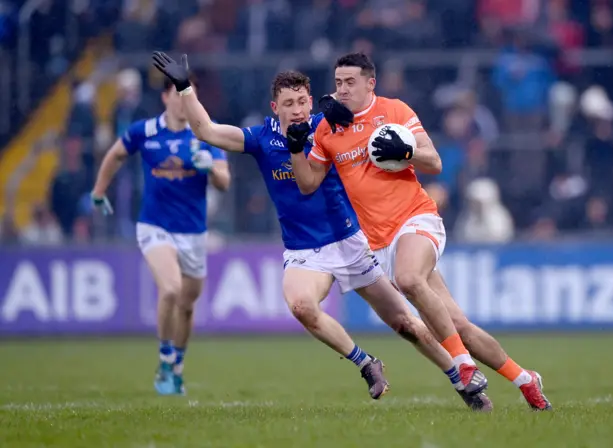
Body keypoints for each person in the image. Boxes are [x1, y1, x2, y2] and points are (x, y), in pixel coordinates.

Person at [152, 51, 490, 409]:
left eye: (302, 102)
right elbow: (205, 130)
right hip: (305, 251)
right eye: (288, 103)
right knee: (301, 306)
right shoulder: (260, 139)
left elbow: (362, 117)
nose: (297, 109)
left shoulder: (327, 125)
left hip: (353, 242)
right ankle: (366, 363)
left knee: (407, 324)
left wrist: (343, 109)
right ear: (274, 107)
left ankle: (462, 382)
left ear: (310, 102)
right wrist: (185, 87)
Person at [290, 52, 551, 411]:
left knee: (410, 279)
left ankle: (463, 366)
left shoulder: (394, 111)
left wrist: (406, 150)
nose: (342, 89)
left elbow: (435, 161)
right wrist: (295, 147)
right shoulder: (327, 129)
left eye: (350, 82)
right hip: (380, 241)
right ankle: (525, 380)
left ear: (371, 83)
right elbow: (307, 184)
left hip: (416, 218)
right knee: (459, 325)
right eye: (338, 82)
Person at [91, 74, 231, 396]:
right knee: (170, 290)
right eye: (180, 95)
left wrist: (210, 166)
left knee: (187, 305)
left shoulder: (207, 133)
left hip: (194, 233)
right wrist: (99, 190)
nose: (186, 102)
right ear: (166, 98)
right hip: (154, 226)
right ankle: (165, 358)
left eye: (191, 96)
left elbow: (224, 182)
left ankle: (177, 367)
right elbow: (115, 154)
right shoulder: (145, 131)